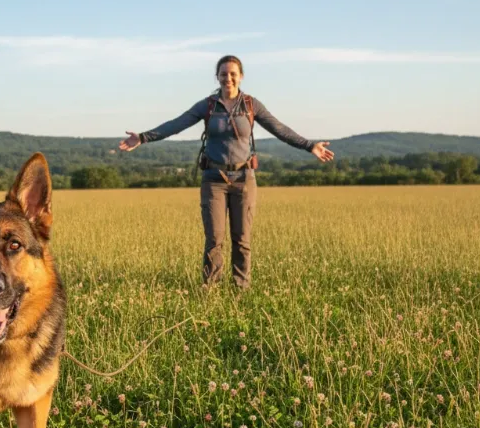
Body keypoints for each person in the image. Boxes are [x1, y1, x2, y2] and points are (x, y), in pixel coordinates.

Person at [119, 55, 334, 289]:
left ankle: (240, 289)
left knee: (242, 240)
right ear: (217, 77)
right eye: (223, 74)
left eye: (233, 74)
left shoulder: (252, 105)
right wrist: (142, 137)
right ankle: (209, 287)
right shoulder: (208, 105)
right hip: (214, 180)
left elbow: (280, 129)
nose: (228, 78)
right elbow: (176, 124)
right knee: (214, 239)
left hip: (244, 179)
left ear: (240, 76)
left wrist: (309, 145)